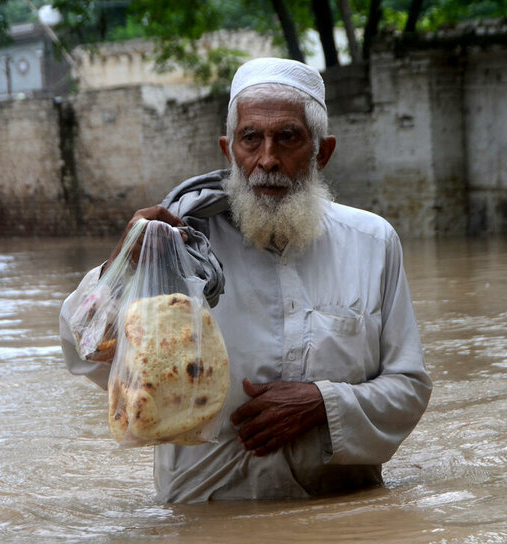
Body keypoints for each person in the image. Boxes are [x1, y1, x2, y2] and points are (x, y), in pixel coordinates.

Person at [60, 57, 432, 503]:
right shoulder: (180, 248)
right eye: (251, 138)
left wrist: (322, 403)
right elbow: (83, 351)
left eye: (288, 138)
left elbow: (409, 387)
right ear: (228, 150)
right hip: (207, 523)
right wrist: (121, 268)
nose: (267, 159)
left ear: (323, 151)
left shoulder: (372, 242)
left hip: (340, 513)